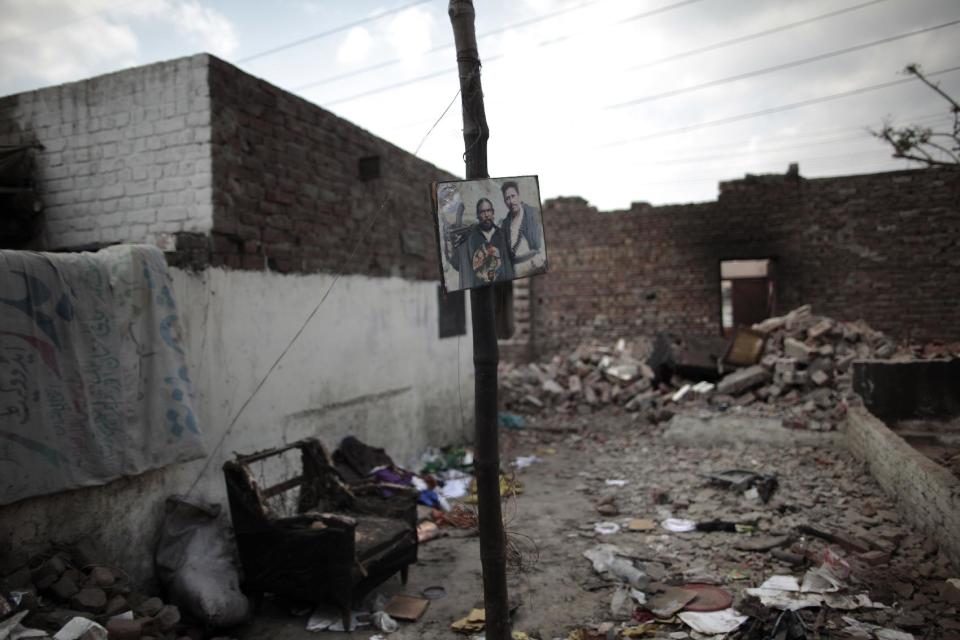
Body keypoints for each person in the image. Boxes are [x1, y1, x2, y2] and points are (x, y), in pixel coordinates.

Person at [447, 198, 514, 289]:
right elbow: (457, 264)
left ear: (493, 212)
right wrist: (453, 248)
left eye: (488, 211)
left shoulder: (502, 235)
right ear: (478, 215)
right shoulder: (470, 237)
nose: (486, 215)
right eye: (482, 212)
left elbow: (508, 266)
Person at [499, 180, 545, 276]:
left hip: (535, 267)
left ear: (519, 196)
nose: (511, 201)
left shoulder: (533, 214)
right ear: (504, 202)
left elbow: (541, 246)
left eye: (513, 196)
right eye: (507, 198)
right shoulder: (505, 224)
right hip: (514, 271)